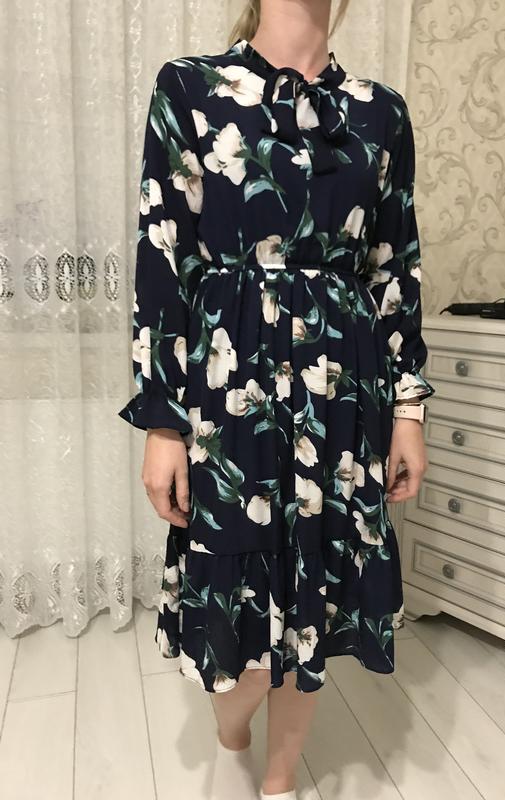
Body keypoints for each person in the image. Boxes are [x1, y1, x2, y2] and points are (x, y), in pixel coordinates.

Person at [118, 1, 435, 797]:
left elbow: (394, 267)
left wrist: (408, 410)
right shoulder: (191, 89)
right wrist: (162, 423)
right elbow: (163, 257)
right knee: (238, 631)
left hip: (342, 388)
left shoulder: (380, 112)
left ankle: (282, 778)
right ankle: (234, 724)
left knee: (317, 601)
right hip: (230, 386)